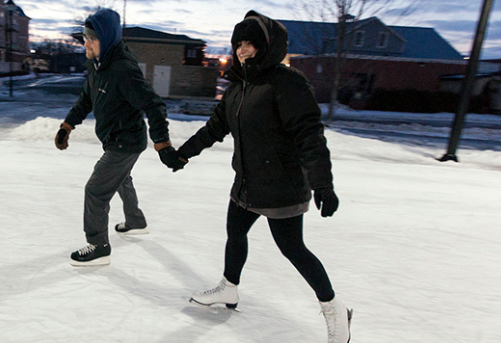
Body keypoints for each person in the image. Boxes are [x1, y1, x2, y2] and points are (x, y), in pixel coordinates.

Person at [162, 11, 351, 343]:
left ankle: (336, 310)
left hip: (282, 187)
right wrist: (183, 154)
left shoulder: (287, 83)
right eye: (238, 43)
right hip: (247, 183)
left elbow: (310, 134)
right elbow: (215, 128)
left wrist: (323, 183)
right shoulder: (238, 87)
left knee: (293, 249)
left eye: (250, 43)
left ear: (265, 47)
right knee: (235, 233)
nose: (242, 49)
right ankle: (229, 289)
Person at [55, 8, 185, 267]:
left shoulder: (123, 70)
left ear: (105, 39)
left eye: (91, 38)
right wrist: (67, 126)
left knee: (95, 190)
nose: (86, 43)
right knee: (121, 179)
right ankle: (136, 221)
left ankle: (99, 245)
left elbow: (154, 105)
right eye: (84, 37)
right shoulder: (95, 66)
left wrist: (162, 144)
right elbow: (86, 100)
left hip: (126, 141)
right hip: (115, 138)